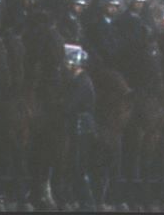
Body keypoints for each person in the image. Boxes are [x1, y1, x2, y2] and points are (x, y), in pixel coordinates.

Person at [64, 45, 97, 210]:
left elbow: (71, 105)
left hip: (81, 126)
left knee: (79, 166)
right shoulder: (79, 80)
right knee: (76, 165)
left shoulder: (82, 82)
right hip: (80, 125)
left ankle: (87, 202)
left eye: (70, 64)